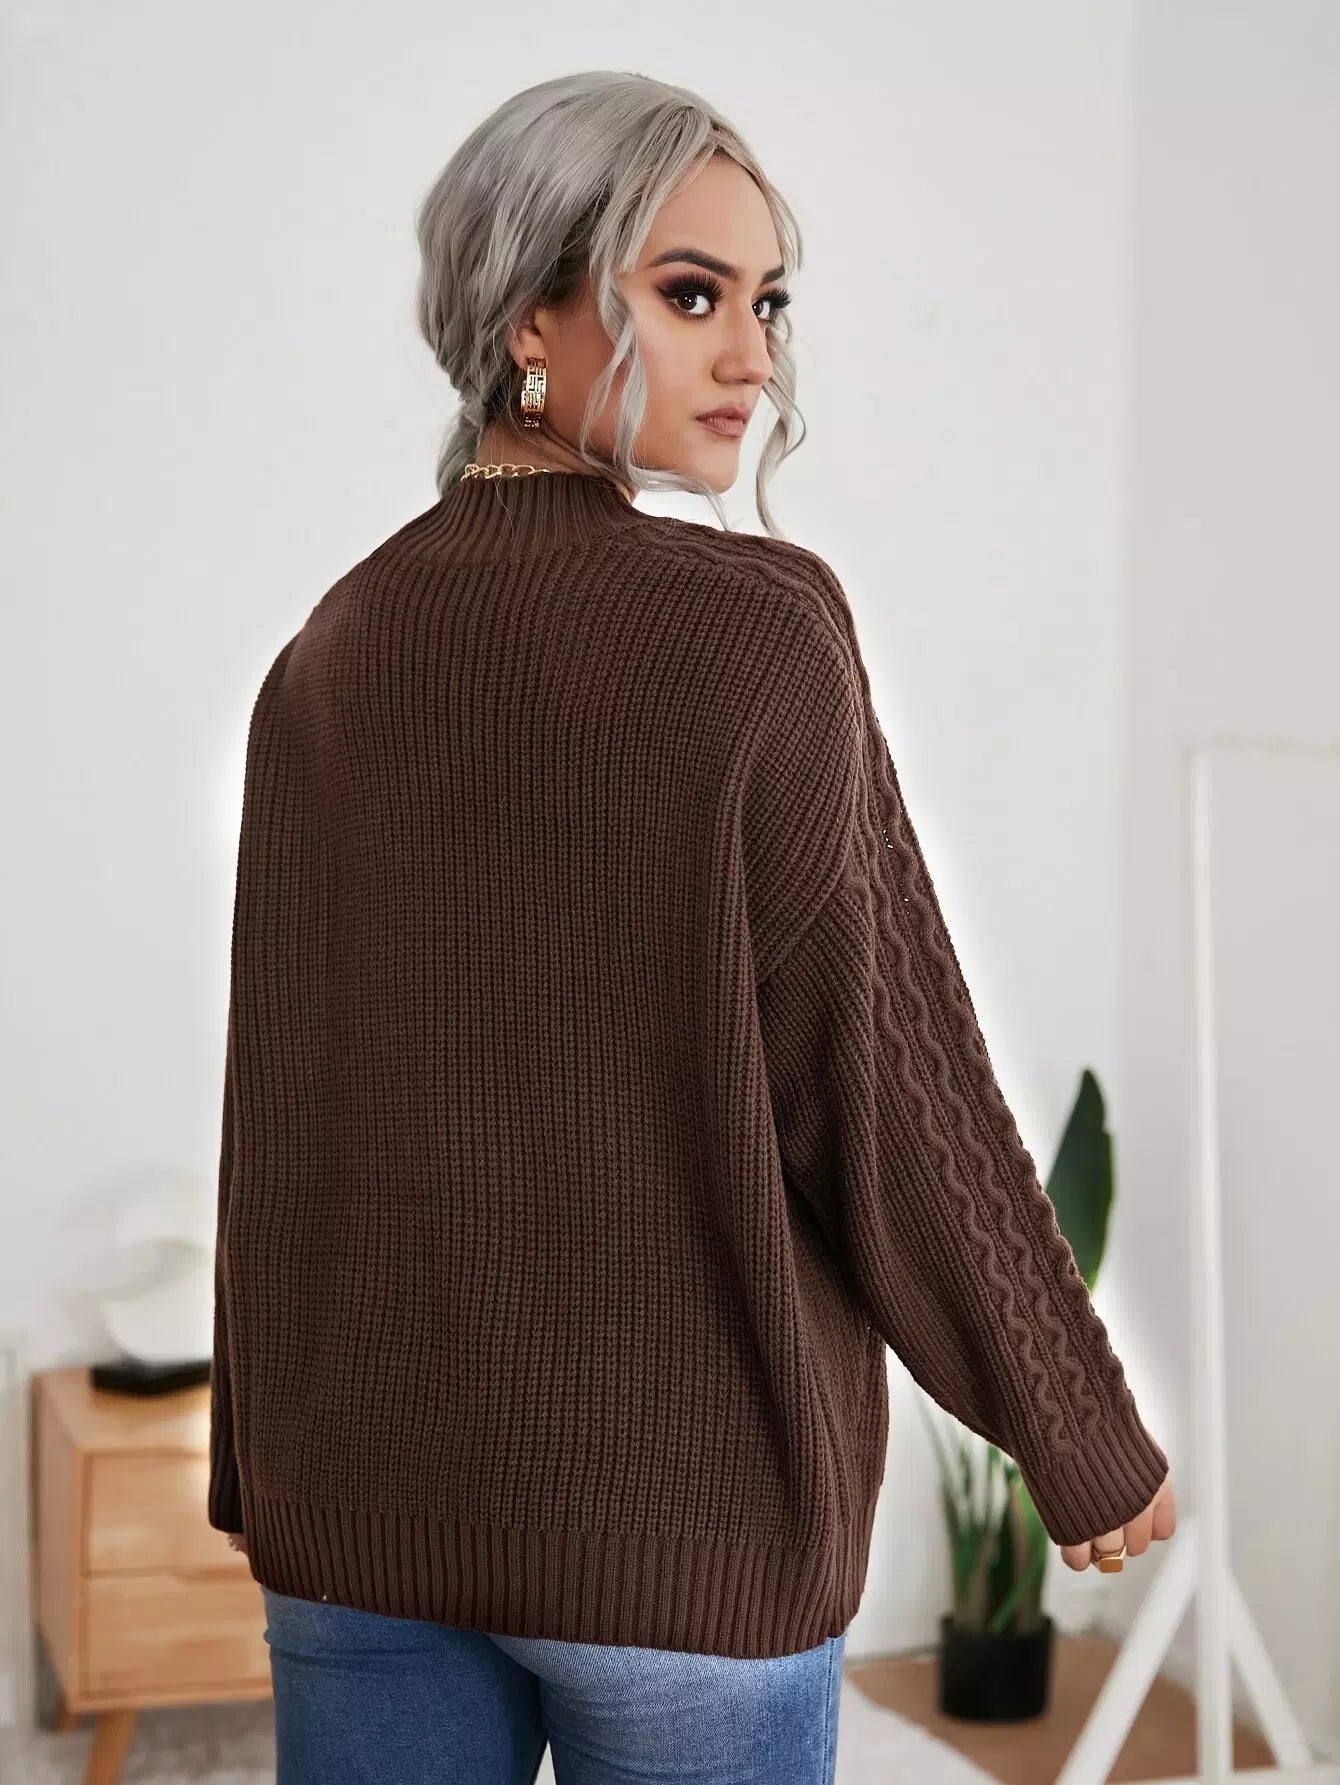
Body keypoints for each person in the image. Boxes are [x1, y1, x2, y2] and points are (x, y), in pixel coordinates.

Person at [208, 70, 1176, 1785]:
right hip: (682, 1523)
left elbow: (283, 1113)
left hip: (356, 1505)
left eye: (766, 303)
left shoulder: (328, 655)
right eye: (690, 293)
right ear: (530, 317)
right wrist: (1068, 1414)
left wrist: (263, 1465)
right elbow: (880, 1074)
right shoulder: (757, 632)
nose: (754, 358)